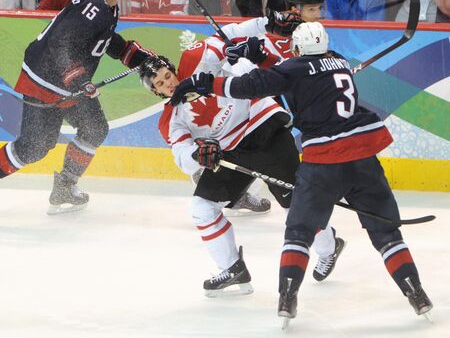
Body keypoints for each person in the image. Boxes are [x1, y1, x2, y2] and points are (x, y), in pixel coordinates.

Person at [170, 22, 433, 323]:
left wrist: (206, 84)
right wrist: (259, 57)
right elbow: (295, 74)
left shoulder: (292, 69)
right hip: (363, 159)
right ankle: (416, 293)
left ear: (296, 48)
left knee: (298, 232)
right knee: (386, 233)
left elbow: (250, 86)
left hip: (324, 163)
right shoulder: (339, 60)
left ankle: (287, 299)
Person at [139, 15, 345, 296]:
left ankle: (330, 247)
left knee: (294, 207)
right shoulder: (171, 118)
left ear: (173, 69)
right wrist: (199, 155)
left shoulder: (195, 60)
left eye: (167, 75)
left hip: (261, 127)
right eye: (161, 84)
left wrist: (267, 23)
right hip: (231, 152)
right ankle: (232, 268)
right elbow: (182, 156)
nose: (169, 83)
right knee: (202, 208)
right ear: (155, 92)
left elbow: (232, 32)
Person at [0, 0, 156, 215]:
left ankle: (64, 186)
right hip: (44, 80)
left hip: (70, 83)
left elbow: (105, 40)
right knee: (34, 147)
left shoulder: (108, 6)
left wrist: (142, 59)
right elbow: (61, 43)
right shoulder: (94, 6)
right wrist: (79, 79)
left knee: (95, 127)